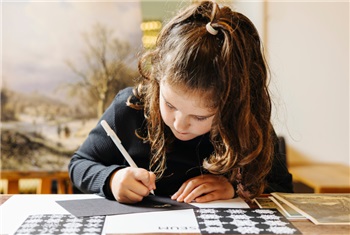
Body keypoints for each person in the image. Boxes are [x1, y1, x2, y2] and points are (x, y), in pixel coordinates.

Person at [68, 0, 293, 204]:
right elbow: (79, 165)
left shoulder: (247, 124)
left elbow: (283, 189)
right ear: (157, 80)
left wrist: (236, 188)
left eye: (199, 117)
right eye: (170, 105)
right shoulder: (130, 108)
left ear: (232, 106)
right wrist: (111, 180)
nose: (179, 124)